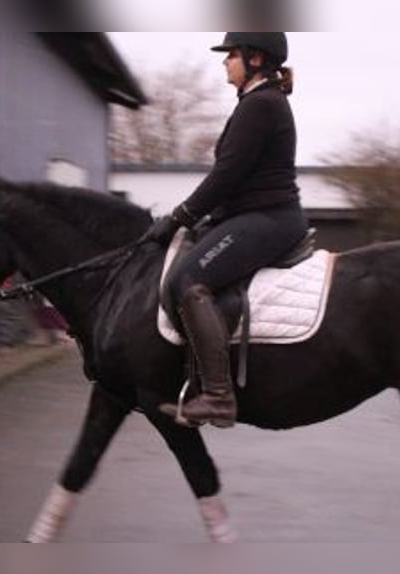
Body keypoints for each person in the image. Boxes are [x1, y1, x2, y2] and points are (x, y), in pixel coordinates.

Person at [144, 32, 308, 428]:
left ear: (255, 59)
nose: (224, 62)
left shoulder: (261, 104)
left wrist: (180, 216)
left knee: (187, 278)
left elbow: (227, 175)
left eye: (231, 54)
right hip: (256, 215)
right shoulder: (257, 102)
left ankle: (218, 397)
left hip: (270, 219)